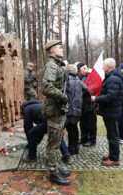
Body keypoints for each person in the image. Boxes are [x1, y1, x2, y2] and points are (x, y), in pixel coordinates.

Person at [42, 40, 71, 186]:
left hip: (58, 109)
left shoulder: (57, 65)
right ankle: (53, 173)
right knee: (53, 144)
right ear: (52, 50)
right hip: (54, 109)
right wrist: (63, 96)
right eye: (60, 48)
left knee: (57, 140)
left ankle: (56, 168)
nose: (62, 50)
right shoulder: (52, 65)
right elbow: (47, 87)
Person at [91, 58, 123, 166]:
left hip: (112, 112)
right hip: (110, 111)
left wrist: (95, 99)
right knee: (111, 135)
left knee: (113, 136)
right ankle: (112, 155)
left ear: (109, 67)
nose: (102, 67)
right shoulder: (112, 77)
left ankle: (114, 159)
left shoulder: (113, 79)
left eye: (104, 66)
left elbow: (111, 97)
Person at [65, 64, 87, 155]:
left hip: (70, 108)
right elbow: (85, 88)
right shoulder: (78, 79)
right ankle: (76, 148)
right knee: (74, 128)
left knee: (70, 129)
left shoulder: (67, 80)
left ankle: (71, 149)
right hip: (78, 108)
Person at [77, 62, 97, 147]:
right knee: (83, 123)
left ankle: (92, 140)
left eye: (86, 67)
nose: (86, 69)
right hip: (81, 104)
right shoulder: (77, 77)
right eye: (83, 68)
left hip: (90, 104)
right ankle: (84, 138)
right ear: (79, 70)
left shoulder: (91, 77)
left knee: (91, 123)